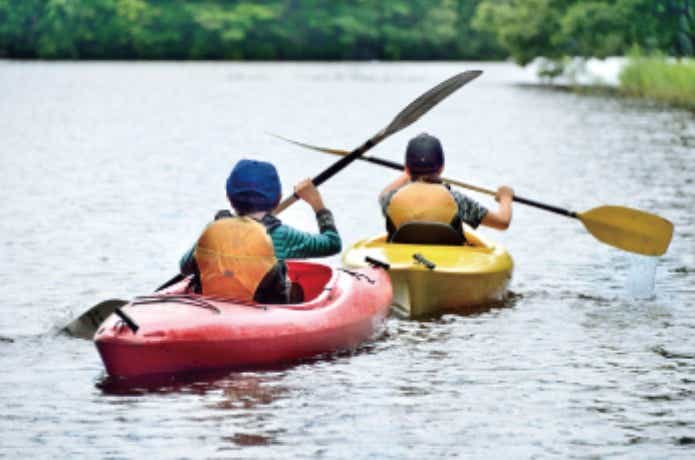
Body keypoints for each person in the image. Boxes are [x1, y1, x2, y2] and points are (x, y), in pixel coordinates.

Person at [180, 159, 341, 303]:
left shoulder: (214, 230)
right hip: (265, 312)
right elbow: (332, 243)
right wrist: (317, 204)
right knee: (294, 287)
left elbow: (185, 267)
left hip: (214, 306)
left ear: (229, 197)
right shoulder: (280, 234)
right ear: (278, 198)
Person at [379, 133, 513, 243]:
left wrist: (408, 174)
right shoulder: (456, 200)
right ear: (442, 168)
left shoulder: (390, 199)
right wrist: (505, 197)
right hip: (448, 265)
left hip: (401, 261)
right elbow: (502, 222)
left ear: (407, 169)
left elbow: (383, 195)